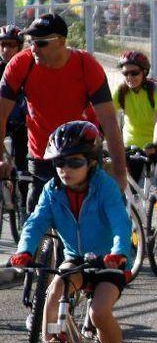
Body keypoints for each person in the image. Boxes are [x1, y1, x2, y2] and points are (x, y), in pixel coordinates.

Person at [10, 121, 137, 343]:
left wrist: (118, 252)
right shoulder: (52, 190)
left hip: (108, 263)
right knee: (53, 293)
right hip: (75, 260)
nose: (64, 169)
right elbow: (35, 222)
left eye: (74, 162)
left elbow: (120, 224)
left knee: (99, 313)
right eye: (58, 163)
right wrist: (24, 250)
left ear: (92, 162)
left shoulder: (104, 187)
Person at [0, 13, 128, 208]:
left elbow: (110, 122)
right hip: (41, 153)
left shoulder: (86, 65)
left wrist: (120, 175)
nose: (33, 48)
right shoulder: (21, 64)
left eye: (41, 43)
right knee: (36, 218)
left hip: (81, 152)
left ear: (61, 41)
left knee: (87, 217)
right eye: (31, 41)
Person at [113, 51, 157, 224]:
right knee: (127, 188)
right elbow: (106, 117)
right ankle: (136, 223)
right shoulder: (121, 92)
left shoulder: (156, 91)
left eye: (134, 73)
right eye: (125, 73)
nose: (129, 77)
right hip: (132, 144)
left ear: (144, 72)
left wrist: (155, 142)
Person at [0, 24, 28, 197]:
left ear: (19, 46)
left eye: (11, 45)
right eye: (2, 44)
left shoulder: (27, 67)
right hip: (1, 120)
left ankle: (24, 205)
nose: (5, 49)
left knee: (24, 171)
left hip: (21, 123)